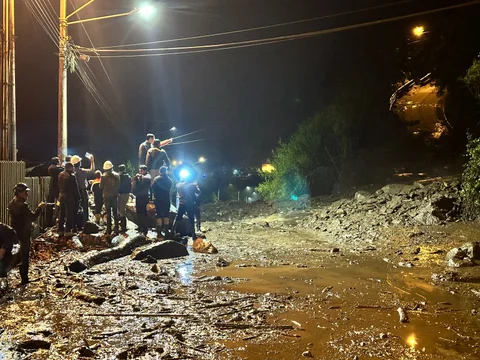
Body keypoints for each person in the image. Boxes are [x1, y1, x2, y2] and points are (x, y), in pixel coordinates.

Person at [7, 183, 46, 285]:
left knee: (18, 254)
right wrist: (40, 208)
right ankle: (24, 279)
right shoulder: (23, 206)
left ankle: (16, 276)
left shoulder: (12, 203)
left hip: (15, 232)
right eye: (25, 192)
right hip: (24, 233)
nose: (27, 194)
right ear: (19, 193)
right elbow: (33, 217)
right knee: (24, 256)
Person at [71, 153, 95, 227]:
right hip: (82, 191)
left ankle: (75, 224)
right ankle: (85, 223)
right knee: (85, 207)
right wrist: (92, 161)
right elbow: (92, 170)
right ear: (78, 163)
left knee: (75, 207)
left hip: (74, 192)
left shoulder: (71, 171)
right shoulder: (81, 171)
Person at [58, 162, 81, 236]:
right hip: (69, 197)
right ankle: (68, 230)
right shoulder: (71, 176)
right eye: (72, 167)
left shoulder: (60, 174)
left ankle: (60, 230)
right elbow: (75, 188)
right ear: (70, 168)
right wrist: (79, 197)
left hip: (61, 195)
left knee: (62, 213)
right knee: (69, 214)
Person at [151, 166, 173, 238]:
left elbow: (153, 188)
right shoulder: (169, 180)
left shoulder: (156, 179)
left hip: (158, 199)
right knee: (166, 214)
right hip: (166, 199)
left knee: (159, 214)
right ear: (166, 171)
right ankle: (166, 230)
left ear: (160, 171)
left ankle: (159, 231)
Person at [100, 161, 120, 235]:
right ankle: (116, 229)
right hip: (114, 196)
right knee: (115, 213)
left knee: (108, 214)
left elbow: (100, 187)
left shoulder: (103, 176)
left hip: (106, 196)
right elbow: (118, 186)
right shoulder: (117, 175)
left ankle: (109, 230)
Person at [132, 165, 151, 234]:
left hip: (144, 196)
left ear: (145, 170)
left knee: (143, 212)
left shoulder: (147, 176)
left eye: (141, 171)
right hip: (138, 195)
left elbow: (147, 179)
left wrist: (140, 176)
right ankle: (140, 226)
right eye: (139, 170)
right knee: (138, 212)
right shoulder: (139, 177)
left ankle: (145, 227)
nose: (140, 172)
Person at [46, 157, 64, 227]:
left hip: (52, 189)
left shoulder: (51, 168)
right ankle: (56, 220)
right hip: (56, 189)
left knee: (51, 205)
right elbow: (61, 169)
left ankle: (50, 220)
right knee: (58, 204)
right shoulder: (54, 169)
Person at [0, 223, 17, 291]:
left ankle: (3, 281)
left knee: (1, 262)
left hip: (6, 245)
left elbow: (11, 237)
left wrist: (4, 248)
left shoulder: (5, 231)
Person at [117, 164, 132, 233]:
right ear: (124, 169)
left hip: (120, 194)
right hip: (126, 194)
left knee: (120, 210)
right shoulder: (128, 177)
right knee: (121, 209)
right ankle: (122, 225)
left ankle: (123, 227)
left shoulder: (118, 176)